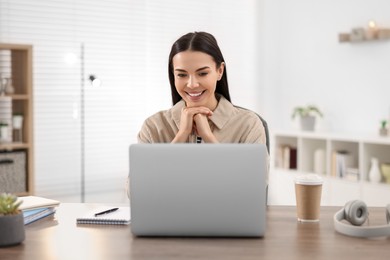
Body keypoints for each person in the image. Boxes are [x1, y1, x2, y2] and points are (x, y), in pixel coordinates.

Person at [137, 31, 267, 145]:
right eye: (182, 74)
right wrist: (182, 135)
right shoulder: (153, 127)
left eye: (202, 73)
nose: (192, 84)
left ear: (220, 71)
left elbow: (253, 174)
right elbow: (141, 174)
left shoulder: (248, 125)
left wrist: (208, 137)